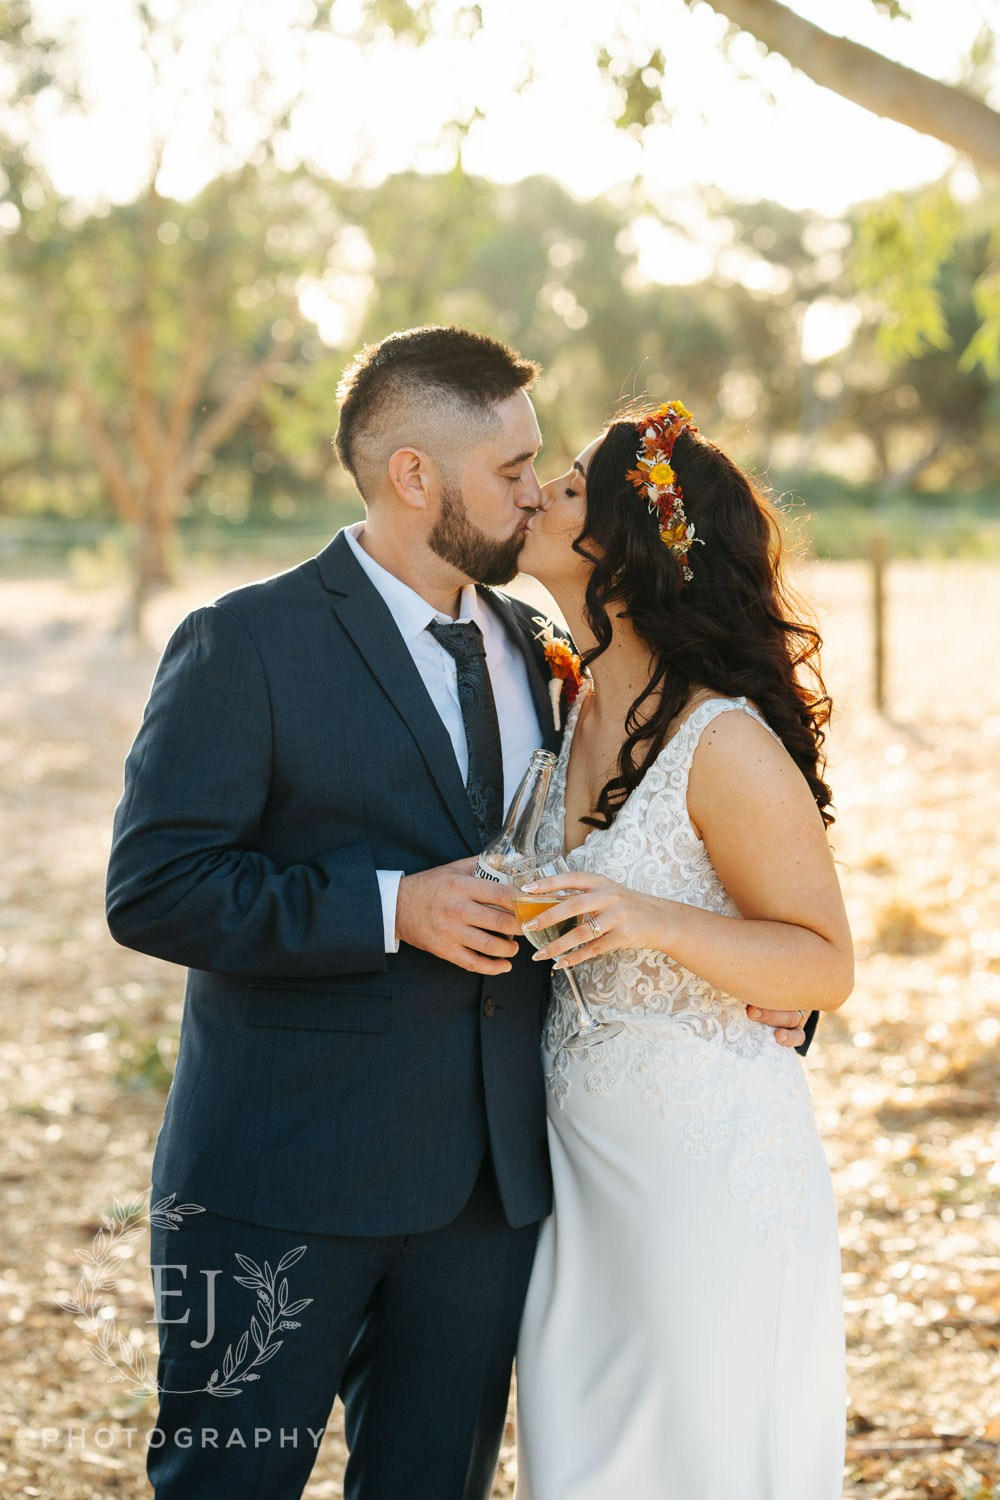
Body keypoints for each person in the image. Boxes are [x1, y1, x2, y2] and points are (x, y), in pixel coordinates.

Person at [106, 328, 809, 1500]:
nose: (536, 492)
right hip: (279, 1183)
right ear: (414, 477)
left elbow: (679, 856)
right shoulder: (246, 642)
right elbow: (157, 886)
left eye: (539, 463)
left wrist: (756, 1004)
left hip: (487, 1199)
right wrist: (394, 907)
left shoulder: (546, 650)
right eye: (512, 470)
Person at [513, 400, 852, 1499]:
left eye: (565, 486)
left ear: (624, 545)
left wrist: (651, 919)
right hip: (578, 1183)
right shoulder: (553, 706)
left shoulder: (725, 744)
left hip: (704, 1179)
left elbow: (822, 964)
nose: (536, 495)